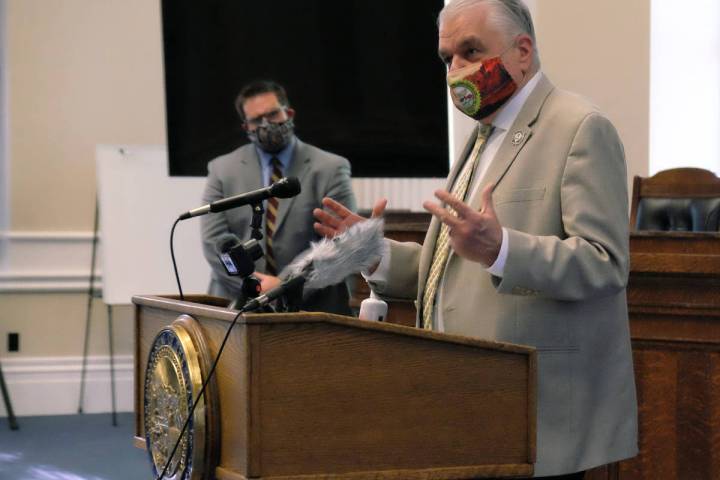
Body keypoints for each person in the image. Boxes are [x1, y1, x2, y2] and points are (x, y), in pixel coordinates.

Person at [313, 0, 638, 477]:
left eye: (471, 51)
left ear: (522, 51)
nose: (457, 70)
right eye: (448, 58)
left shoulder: (579, 127)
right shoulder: (484, 135)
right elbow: (453, 267)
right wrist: (375, 254)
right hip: (468, 403)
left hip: (539, 414)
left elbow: (605, 263)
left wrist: (503, 249)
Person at [201, 79, 356, 314]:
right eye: (256, 120)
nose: (266, 124)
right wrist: (254, 285)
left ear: (289, 113)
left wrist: (282, 285)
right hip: (235, 305)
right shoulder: (222, 170)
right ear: (246, 127)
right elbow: (214, 242)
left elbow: (338, 243)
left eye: (273, 114)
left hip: (309, 306)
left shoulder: (331, 168)